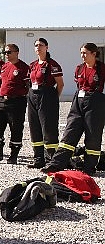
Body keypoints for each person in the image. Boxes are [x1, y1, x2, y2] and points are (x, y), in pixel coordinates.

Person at [43, 43, 105, 175]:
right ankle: (56, 164)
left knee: (93, 135)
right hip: (78, 100)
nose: (82, 56)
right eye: (81, 53)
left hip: (95, 102)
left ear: (94, 54)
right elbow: (78, 84)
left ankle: (89, 168)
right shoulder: (79, 68)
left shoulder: (101, 68)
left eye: (85, 53)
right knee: (70, 132)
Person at [27, 38, 63, 168]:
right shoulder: (32, 65)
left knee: (48, 128)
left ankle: (51, 160)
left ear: (47, 47)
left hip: (47, 95)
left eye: (41, 45)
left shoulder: (53, 64)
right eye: (36, 45)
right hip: (33, 95)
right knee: (34, 127)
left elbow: (60, 84)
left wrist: (53, 98)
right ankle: (38, 159)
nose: (38, 47)